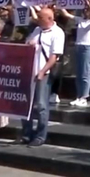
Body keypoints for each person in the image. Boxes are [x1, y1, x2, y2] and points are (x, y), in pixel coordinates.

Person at [22, 8, 64, 147]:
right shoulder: (37, 30)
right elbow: (27, 43)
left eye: (41, 18)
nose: (38, 20)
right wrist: (30, 44)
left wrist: (42, 71)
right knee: (26, 105)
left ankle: (40, 136)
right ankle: (26, 134)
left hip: (43, 73)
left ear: (50, 19)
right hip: (30, 70)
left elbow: (54, 56)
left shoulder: (57, 33)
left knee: (41, 105)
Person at [57, 0, 90, 107]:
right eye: (84, 9)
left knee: (85, 74)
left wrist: (89, 4)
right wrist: (58, 0)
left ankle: (84, 97)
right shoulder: (80, 20)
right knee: (79, 74)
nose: (85, 11)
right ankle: (78, 96)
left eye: (87, 9)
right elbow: (66, 14)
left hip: (87, 48)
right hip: (78, 47)